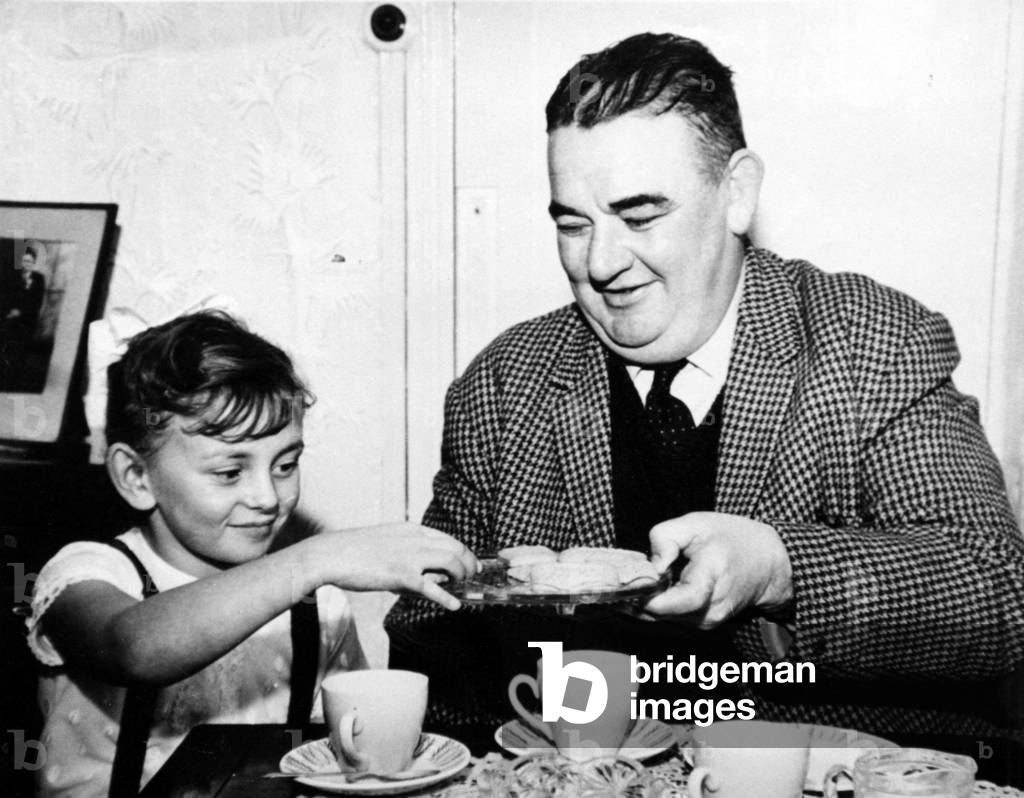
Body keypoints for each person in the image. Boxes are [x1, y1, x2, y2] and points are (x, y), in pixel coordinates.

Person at [386, 32, 1024, 739]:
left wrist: (781, 569)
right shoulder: (505, 384)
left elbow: (997, 592)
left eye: (640, 217)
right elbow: (426, 646)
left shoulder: (872, 342)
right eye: (573, 224)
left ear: (737, 194)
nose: (600, 263)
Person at [26, 311, 478, 798]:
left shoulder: (319, 607)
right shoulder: (86, 572)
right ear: (136, 477)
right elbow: (134, 649)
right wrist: (315, 559)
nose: (267, 497)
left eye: (285, 465)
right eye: (229, 472)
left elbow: (351, 758)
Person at [0, 245, 47, 388]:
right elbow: (6, 297)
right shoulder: (13, 277)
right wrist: (10, 311)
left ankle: (15, 379)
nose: (27, 264)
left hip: (27, 321)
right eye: (25, 261)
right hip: (10, 320)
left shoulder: (39, 279)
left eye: (30, 262)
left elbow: (37, 302)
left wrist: (21, 312)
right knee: (7, 348)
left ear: (34, 263)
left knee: (21, 352)